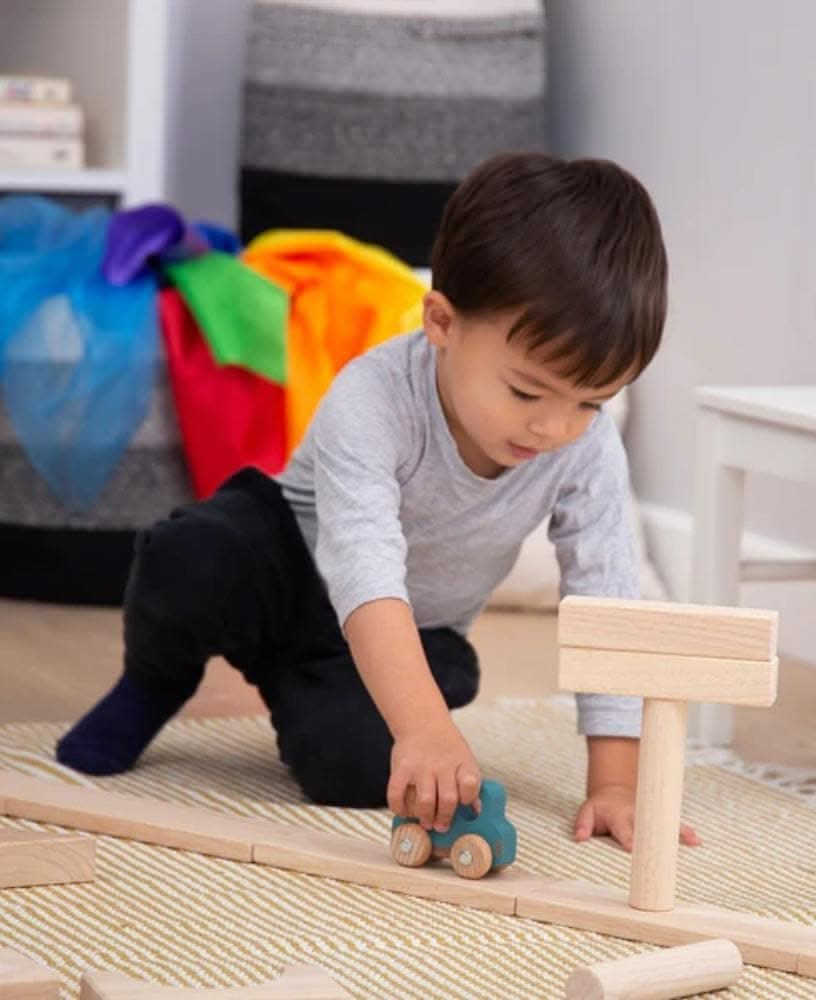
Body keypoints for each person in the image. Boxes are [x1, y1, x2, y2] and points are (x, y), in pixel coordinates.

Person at [57, 152, 699, 851]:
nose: (555, 427)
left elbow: (605, 600)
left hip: (401, 629)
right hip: (285, 569)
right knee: (189, 559)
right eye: (526, 392)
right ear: (442, 323)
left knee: (361, 769)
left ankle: (311, 693)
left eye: (591, 401)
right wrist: (424, 725)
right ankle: (154, 681)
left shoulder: (584, 446)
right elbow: (364, 565)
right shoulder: (373, 397)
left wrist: (614, 783)